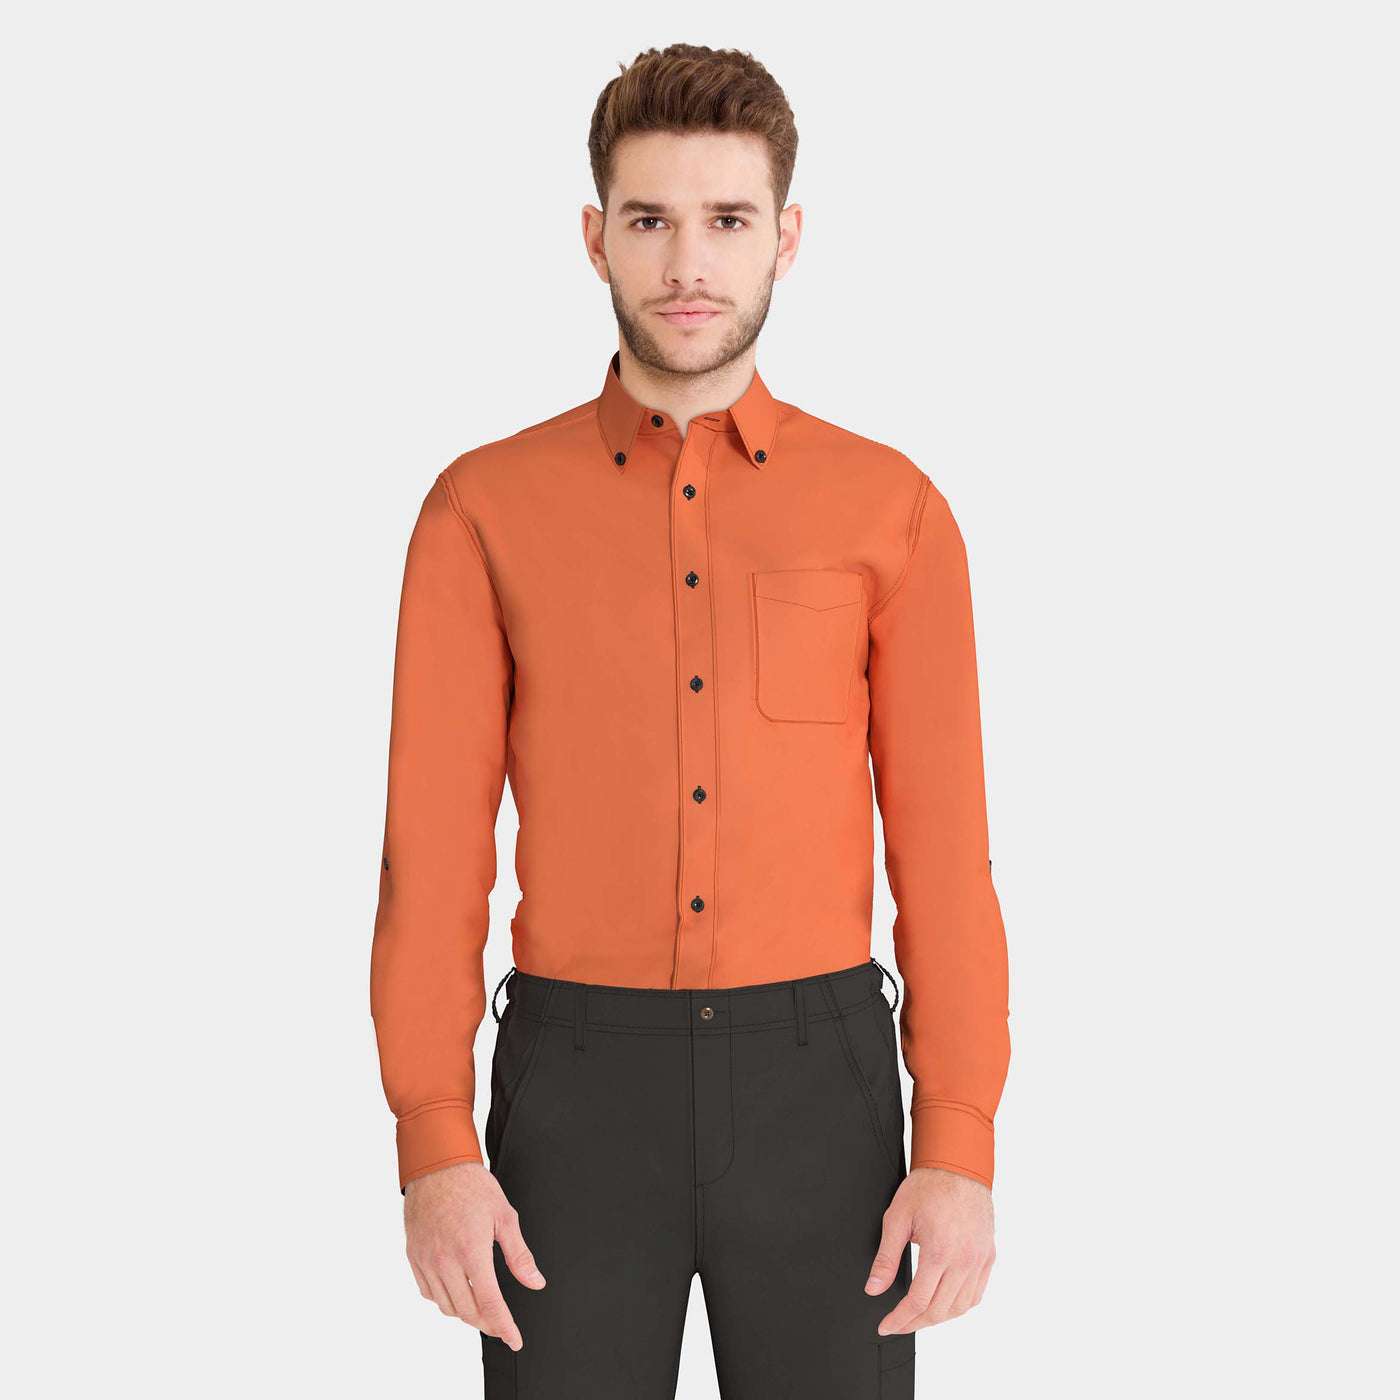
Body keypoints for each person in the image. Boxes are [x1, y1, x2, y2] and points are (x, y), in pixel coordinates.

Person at [370, 42, 1010, 1399]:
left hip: (823, 1090)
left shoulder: (890, 509)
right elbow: (432, 857)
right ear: (595, 236)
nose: (688, 265)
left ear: (786, 235)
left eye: (726, 220)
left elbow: (946, 855)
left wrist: (958, 1140)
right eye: (651, 220)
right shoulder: (483, 510)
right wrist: (435, 1140)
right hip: (573, 1093)